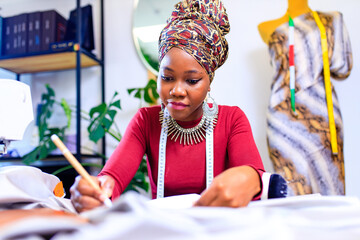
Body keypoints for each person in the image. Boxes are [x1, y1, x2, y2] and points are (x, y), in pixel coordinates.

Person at [70, 0, 265, 213]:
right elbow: (112, 179)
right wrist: (95, 190)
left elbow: (255, 175)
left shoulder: (232, 119)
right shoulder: (146, 122)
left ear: (209, 82)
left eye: (192, 81)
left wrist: (250, 178)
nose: (177, 91)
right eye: (167, 77)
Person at [258, 0, 352, 195]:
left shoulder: (331, 20)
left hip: (321, 116)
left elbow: (342, 68)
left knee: (331, 189)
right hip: (283, 118)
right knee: (291, 189)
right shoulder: (266, 27)